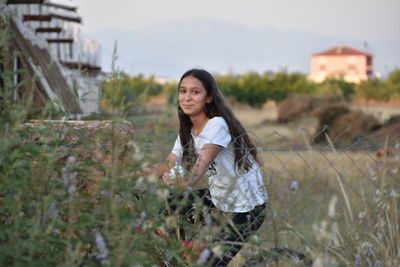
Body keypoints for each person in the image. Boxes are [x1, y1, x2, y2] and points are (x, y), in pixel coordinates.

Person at [161, 68, 268, 266]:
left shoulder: (217, 124)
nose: (187, 98)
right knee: (167, 208)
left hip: (247, 207)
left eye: (195, 92)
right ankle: (180, 254)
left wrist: (182, 180)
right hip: (220, 198)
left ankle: (195, 252)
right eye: (182, 91)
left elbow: (199, 168)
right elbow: (172, 160)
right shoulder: (188, 129)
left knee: (209, 263)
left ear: (209, 97)